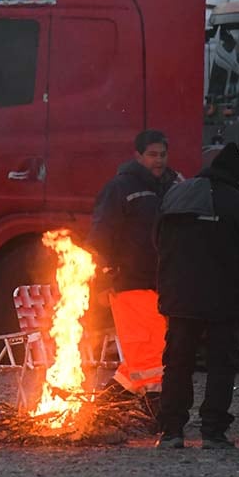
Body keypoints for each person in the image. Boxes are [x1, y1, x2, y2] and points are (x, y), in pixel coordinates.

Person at [154, 143, 239, 449]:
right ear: (236, 175)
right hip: (223, 299)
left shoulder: (177, 194)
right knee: (222, 363)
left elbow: (158, 240)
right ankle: (213, 431)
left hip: (179, 297)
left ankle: (172, 431)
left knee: (177, 363)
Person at [87, 129, 180, 397]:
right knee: (149, 351)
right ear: (137, 155)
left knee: (149, 349)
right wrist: (104, 281)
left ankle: (110, 402)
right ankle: (155, 408)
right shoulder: (119, 188)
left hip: (161, 282)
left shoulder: (171, 186)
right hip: (130, 283)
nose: (159, 160)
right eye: (152, 155)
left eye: (162, 154)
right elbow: (99, 239)